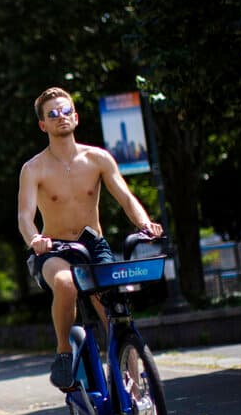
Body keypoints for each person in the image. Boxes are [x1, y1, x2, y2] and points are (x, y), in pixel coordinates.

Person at [17, 87, 163, 390]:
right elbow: (24, 217)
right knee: (66, 283)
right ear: (43, 125)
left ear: (76, 116)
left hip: (93, 245)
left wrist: (145, 223)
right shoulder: (34, 168)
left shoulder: (98, 158)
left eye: (66, 110)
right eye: (53, 114)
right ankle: (63, 353)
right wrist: (35, 239)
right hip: (54, 249)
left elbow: (125, 197)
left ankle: (134, 391)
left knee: (116, 315)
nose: (61, 117)